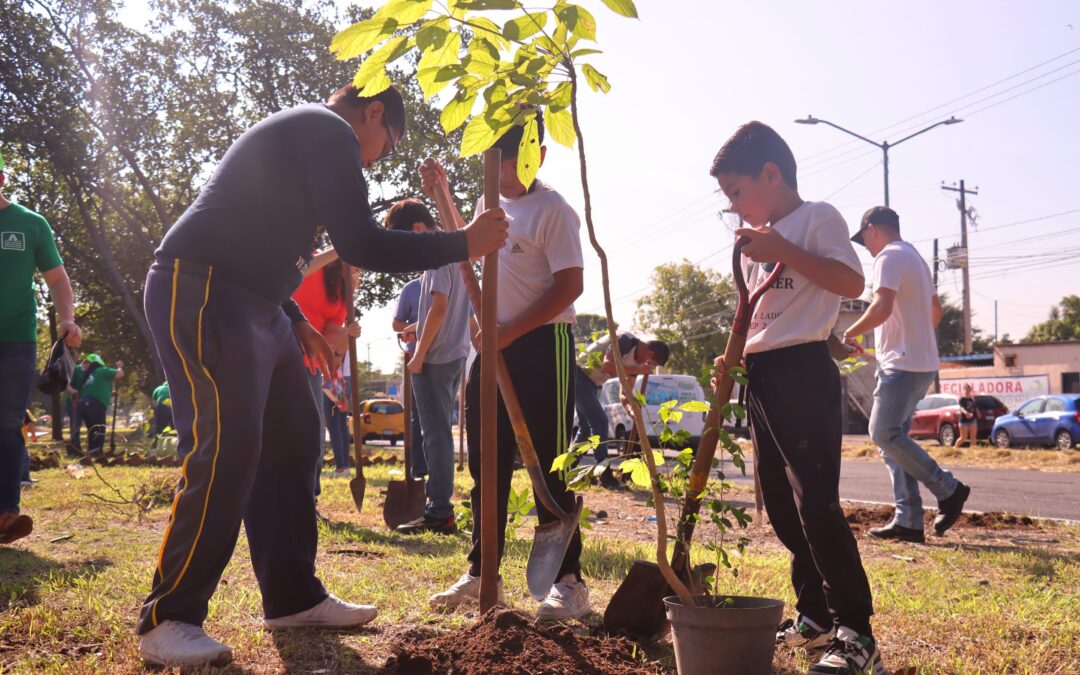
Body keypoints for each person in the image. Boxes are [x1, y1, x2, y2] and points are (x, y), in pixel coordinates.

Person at [135, 83, 508, 667]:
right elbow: (359, 241)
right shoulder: (327, 129)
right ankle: (170, 616)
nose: (375, 160)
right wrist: (463, 241)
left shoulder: (309, 140)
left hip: (262, 303)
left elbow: (262, 236)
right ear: (373, 113)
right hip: (203, 286)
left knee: (293, 442)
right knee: (228, 448)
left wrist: (295, 317)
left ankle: (292, 597)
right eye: (383, 147)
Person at [710, 122, 884, 674]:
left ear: (771, 174)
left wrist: (782, 246)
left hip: (803, 369)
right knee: (780, 505)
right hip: (761, 371)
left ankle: (856, 631)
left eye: (738, 193)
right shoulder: (758, 245)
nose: (736, 209)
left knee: (816, 502)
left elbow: (850, 281)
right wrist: (734, 354)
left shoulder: (817, 219)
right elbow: (759, 314)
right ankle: (814, 614)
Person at [425, 110, 591, 619]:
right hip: (491, 351)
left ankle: (569, 581)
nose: (503, 177)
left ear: (538, 155)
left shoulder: (553, 210)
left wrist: (508, 331)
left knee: (550, 461)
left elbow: (571, 286)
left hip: (545, 346)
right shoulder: (487, 205)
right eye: (494, 165)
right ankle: (482, 572)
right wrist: (445, 200)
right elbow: (473, 262)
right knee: (486, 464)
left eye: (515, 163)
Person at [843, 206, 970, 544]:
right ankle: (909, 521)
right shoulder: (914, 257)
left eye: (864, 240)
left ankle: (948, 488)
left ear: (871, 229)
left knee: (882, 433)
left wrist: (850, 333)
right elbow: (936, 311)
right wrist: (914, 338)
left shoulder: (888, 257)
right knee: (893, 442)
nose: (866, 248)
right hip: (921, 362)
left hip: (901, 364)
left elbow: (881, 307)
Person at [0, 149, 82, 546]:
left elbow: (57, 277)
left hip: (16, 340)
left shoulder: (30, 224)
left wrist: (67, 318)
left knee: (8, 421)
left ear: (0, 180)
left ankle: (6, 513)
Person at [385, 198, 471, 536]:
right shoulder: (452, 251)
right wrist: (417, 328)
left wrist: (418, 353)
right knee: (437, 435)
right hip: (452, 353)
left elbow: (439, 307)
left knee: (435, 437)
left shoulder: (435, 254)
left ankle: (439, 513)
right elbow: (442, 310)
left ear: (418, 230)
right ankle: (439, 509)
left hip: (435, 358)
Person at [291, 257, 360, 495]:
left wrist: (346, 334)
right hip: (276, 349)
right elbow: (298, 268)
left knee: (314, 430)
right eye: (356, 263)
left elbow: (330, 336)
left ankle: (309, 498)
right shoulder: (314, 262)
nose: (358, 271)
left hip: (309, 362)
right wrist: (337, 250)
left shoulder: (342, 293)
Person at [573, 332, 670, 488]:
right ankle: (605, 476)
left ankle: (565, 471)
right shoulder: (625, 341)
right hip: (578, 374)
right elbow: (607, 366)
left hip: (591, 383)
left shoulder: (637, 365)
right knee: (600, 422)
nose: (650, 368)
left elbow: (625, 394)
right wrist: (637, 369)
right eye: (652, 364)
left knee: (585, 429)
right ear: (650, 354)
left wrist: (632, 411)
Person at [392, 276, 427, 478]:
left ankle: (439, 472)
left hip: (446, 356)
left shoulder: (454, 282)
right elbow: (396, 324)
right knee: (418, 417)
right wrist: (414, 328)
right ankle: (419, 470)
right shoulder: (411, 288)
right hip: (416, 358)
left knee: (440, 419)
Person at [76, 354, 124, 457]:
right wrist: (119, 366)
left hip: (83, 405)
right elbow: (119, 374)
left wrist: (110, 394)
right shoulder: (103, 370)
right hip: (95, 404)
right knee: (100, 429)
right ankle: (97, 452)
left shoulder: (87, 376)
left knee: (92, 429)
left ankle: (93, 451)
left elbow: (93, 390)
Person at [65, 357, 91, 452]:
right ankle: (75, 447)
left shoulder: (92, 372)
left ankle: (91, 447)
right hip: (73, 402)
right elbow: (66, 382)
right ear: (87, 363)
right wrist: (72, 391)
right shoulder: (75, 369)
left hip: (86, 402)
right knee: (76, 425)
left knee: (90, 425)